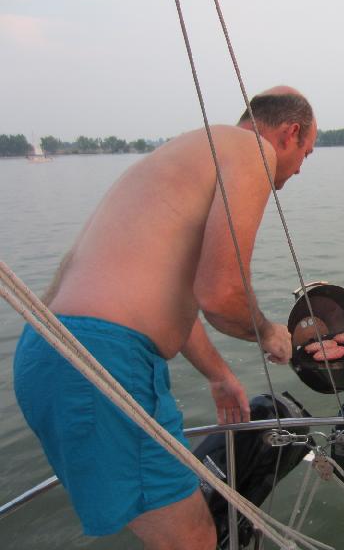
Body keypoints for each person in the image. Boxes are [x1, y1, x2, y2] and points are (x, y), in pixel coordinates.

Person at [13, 86, 318, 549]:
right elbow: (220, 294)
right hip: (101, 360)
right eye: (306, 153)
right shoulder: (252, 151)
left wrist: (218, 375)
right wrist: (269, 333)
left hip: (51, 352)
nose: (298, 169)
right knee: (192, 540)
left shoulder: (192, 150)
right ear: (289, 133)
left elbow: (169, 293)